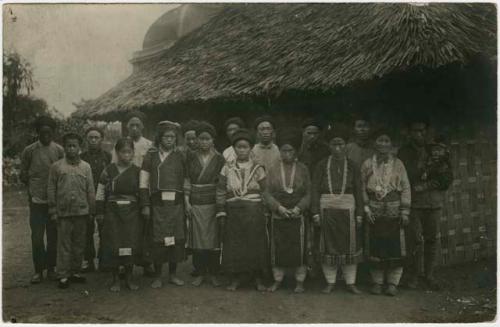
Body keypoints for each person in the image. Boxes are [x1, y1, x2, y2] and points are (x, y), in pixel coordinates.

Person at [398, 122, 453, 291]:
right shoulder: (405, 151)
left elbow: (447, 177)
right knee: (414, 240)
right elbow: (404, 176)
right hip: (414, 203)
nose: (419, 134)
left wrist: (430, 183)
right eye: (416, 131)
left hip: (433, 203)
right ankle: (413, 275)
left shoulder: (436, 150)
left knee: (431, 239)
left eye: (423, 130)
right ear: (410, 132)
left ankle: (428, 275)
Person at [311, 129, 364, 294]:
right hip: (326, 210)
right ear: (329, 145)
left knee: (350, 247)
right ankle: (330, 282)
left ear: (345, 145)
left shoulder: (353, 166)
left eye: (340, 144)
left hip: (348, 211)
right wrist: (315, 213)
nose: (337, 148)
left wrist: (360, 214)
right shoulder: (321, 165)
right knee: (328, 246)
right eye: (334, 144)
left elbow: (358, 191)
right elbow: (314, 190)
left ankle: (350, 282)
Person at [216, 129, 269, 291]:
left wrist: (266, 211)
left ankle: (258, 278)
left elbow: (265, 191)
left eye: (245, 147)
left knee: (255, 245)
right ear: (234, 149)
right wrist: (221, 210)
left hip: (254, 212)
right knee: (235, 246)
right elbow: (220, 191)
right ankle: (236, 278)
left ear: (250, 149)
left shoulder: (258, 168)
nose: (242, 150)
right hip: (234, 212)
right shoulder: (227, 168)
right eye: (239, 147)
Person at [361, 129, 411, 296]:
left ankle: (392, 283)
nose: (383, 144)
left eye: (386, 140)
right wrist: (366, 208)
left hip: (394, 211)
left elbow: (405, 187)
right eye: (380, 140)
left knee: (394, 246)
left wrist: (405, 211)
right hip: (374, 211)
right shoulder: (367, 164)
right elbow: (361, 187)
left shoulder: (399, 164)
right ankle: (377, 282)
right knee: (376, 246)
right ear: (375, 143)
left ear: (391, 144)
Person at [140, 121, 187, 289]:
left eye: (173, 137)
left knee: (175, 237)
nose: (170, 140)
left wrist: (186, 202)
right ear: (160, 138)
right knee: (159, 237)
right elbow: (143, 182)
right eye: (166, 136)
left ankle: (173, 274)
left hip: (176, 203)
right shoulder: (150, 156)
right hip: (157, 203)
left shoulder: (180, 156)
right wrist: (145, 204)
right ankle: (158, 275)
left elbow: (186, 180)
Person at [264, 129, 311, 293]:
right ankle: (278, 280)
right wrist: (279, 208)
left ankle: (299, 281)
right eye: (284, 150)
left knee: (299, 248)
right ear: (280, 151)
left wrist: (299, 208)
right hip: (279, 214)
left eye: (290, 150)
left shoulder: (303, 169)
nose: (287, 153)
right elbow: (267, 193)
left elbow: (308, 193)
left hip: (298, 214)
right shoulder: (273, 169)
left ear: (296, 151)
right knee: (278, 248)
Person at [47, 133, 95, 289]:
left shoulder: (86, 167)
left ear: (80, 148)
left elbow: (90, 190)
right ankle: (63, 274)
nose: (71, 149)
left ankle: (75, 271)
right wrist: (53, 210)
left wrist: (91, 210)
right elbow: (51, 188)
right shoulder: (57, 167)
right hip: (64, 212)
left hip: (81, 211)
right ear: (64, 147)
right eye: (68, 145)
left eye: (74, 145)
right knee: (64, 244)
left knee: (79, 243)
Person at [20, 116, 64, 284]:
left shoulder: (59, 150)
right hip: (37, 201)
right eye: (42, 132)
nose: (46, 135)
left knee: (53, 236)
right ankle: (38, 270)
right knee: (37, 237)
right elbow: (24, 173)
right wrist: (33, 190)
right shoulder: (29, 151)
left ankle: (51, 269)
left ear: (53, 132)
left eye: (49, 132)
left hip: (54, 202)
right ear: (37, 132)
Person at [96, 138, 141, 292]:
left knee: (130, 243)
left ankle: (129, 277)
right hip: (112, 212)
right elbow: (100, 192)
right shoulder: (108, 170)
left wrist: (143, 210)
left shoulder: (137, 171)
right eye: (123, 152)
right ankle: (115, 279)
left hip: (132, 213)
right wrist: (100, 212)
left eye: (129, 152)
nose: (126, 155)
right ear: (117, 153)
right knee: (114, 243)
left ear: (133, 153)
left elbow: (142, 193)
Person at [113, 111, 154, 276]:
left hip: (144, 190)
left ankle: (146, 262)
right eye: (132, 125)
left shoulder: (149, 145)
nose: (135, 128)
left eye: (138, 125)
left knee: (146, 227)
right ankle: (124, 263)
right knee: (126, 229)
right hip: (126, 192)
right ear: (127, 127)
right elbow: (115, 169)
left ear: (143, 127)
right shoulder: (121, 144)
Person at [184, 121, 225, 287]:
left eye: (207, 139)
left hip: (214, 202)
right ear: (197, 140)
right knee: (198, 239)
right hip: (196, 202)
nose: (204, 142)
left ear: (213, 140)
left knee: (214, 239)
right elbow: (186, 179)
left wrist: (220, 205)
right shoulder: (190, 157)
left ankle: (213, 273)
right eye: (201, 139)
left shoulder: (220, 158)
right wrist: (186, 201)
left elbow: (222, 183)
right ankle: (200, 272)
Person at [80, 126, 112, 272]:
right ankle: (88, 260)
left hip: (103, 198)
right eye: (90, 137)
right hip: (86, 197)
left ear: (101, 139)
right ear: (86, 140)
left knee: (105, 228)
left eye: (96, 137)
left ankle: (104, 259)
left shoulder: (108, 157)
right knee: (86, 229)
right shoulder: (82, 158)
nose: (93, 140)